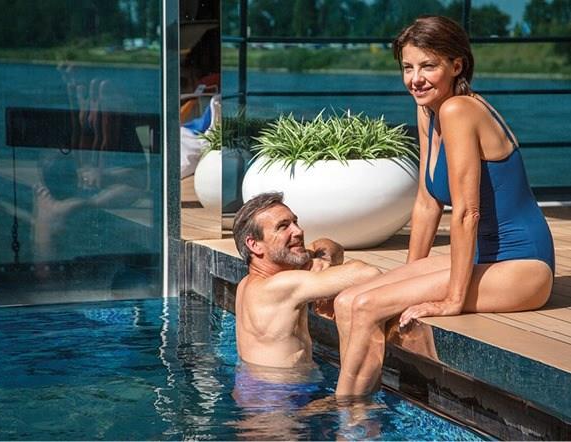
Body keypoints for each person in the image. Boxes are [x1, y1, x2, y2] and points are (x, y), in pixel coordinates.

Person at [333, 15, 555, 398]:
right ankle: (361, 401)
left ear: (457, 65)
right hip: (481, 257)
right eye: (408, 67)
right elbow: (427, 200)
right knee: (346, 301)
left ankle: (346, 411)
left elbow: (467, 213)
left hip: (522, 265)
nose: (415, 79)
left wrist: (453, 299)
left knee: (367, 305)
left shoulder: (459, 111)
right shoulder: (429, 110)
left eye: (428, 66)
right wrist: (409, 274)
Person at [232, 192, 381, 369]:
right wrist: (320, 269)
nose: (298, 231)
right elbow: (368, 273)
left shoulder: (247, 283)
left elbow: (330, 246)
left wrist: (322, 260)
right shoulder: (280, 286)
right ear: (254, 244)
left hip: (254, 381)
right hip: (283, 386)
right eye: (283, 226)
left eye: (295, 222)